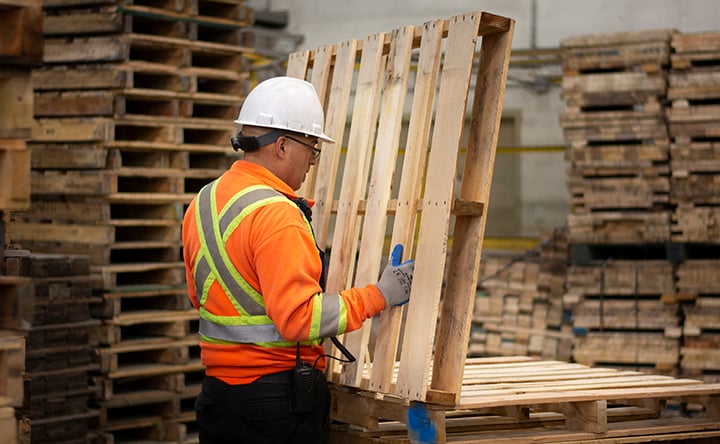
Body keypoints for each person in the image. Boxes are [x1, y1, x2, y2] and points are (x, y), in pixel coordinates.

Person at [182, 76, 415, 444]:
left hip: (218, 398)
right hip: (275, 405)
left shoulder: (203, 202)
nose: (312, 162)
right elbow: (299, 318)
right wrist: (379, 295)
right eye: (312, 149)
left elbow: (203, 298)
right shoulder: (276, 213)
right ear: (283, 145)